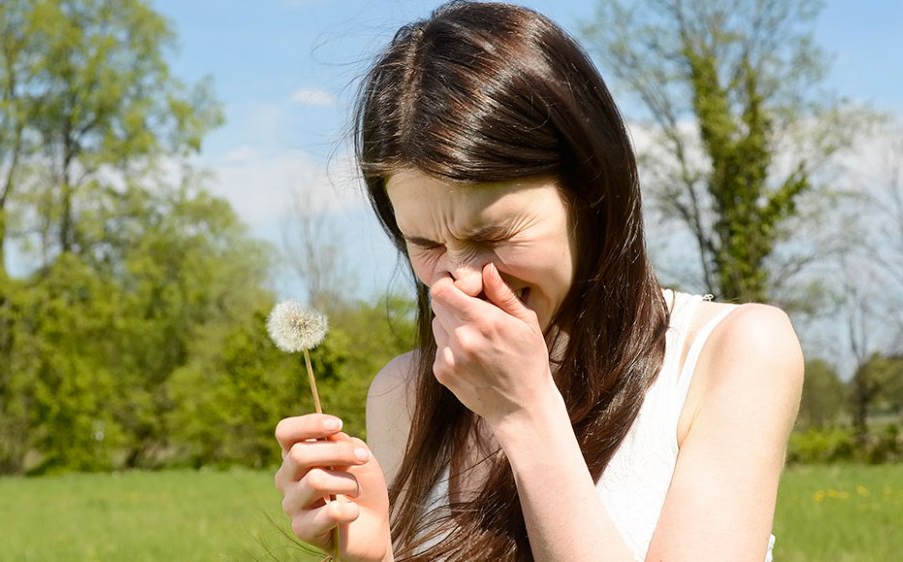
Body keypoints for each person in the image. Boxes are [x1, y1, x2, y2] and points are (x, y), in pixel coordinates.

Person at [272, 2, 803, 560]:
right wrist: (373, 554)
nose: (461, 282)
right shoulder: (404, 393)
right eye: (426, 245)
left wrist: (526, 414)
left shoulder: (733, 352)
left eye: (494, 234)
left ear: (590, 194)